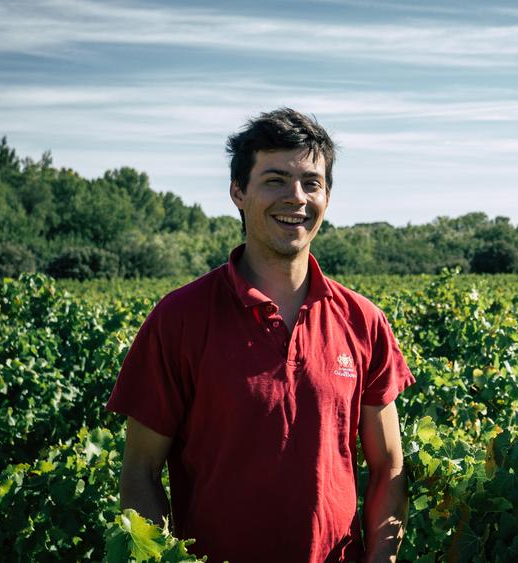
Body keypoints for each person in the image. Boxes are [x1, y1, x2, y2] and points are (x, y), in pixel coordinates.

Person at [108, 108, 415, 563]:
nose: (296, 197)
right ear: (238, 191)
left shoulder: (362, 320)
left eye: (311, 183)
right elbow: (140, 473)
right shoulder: (180, 319)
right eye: (274, 180)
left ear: (327, 196)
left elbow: (389, 467)